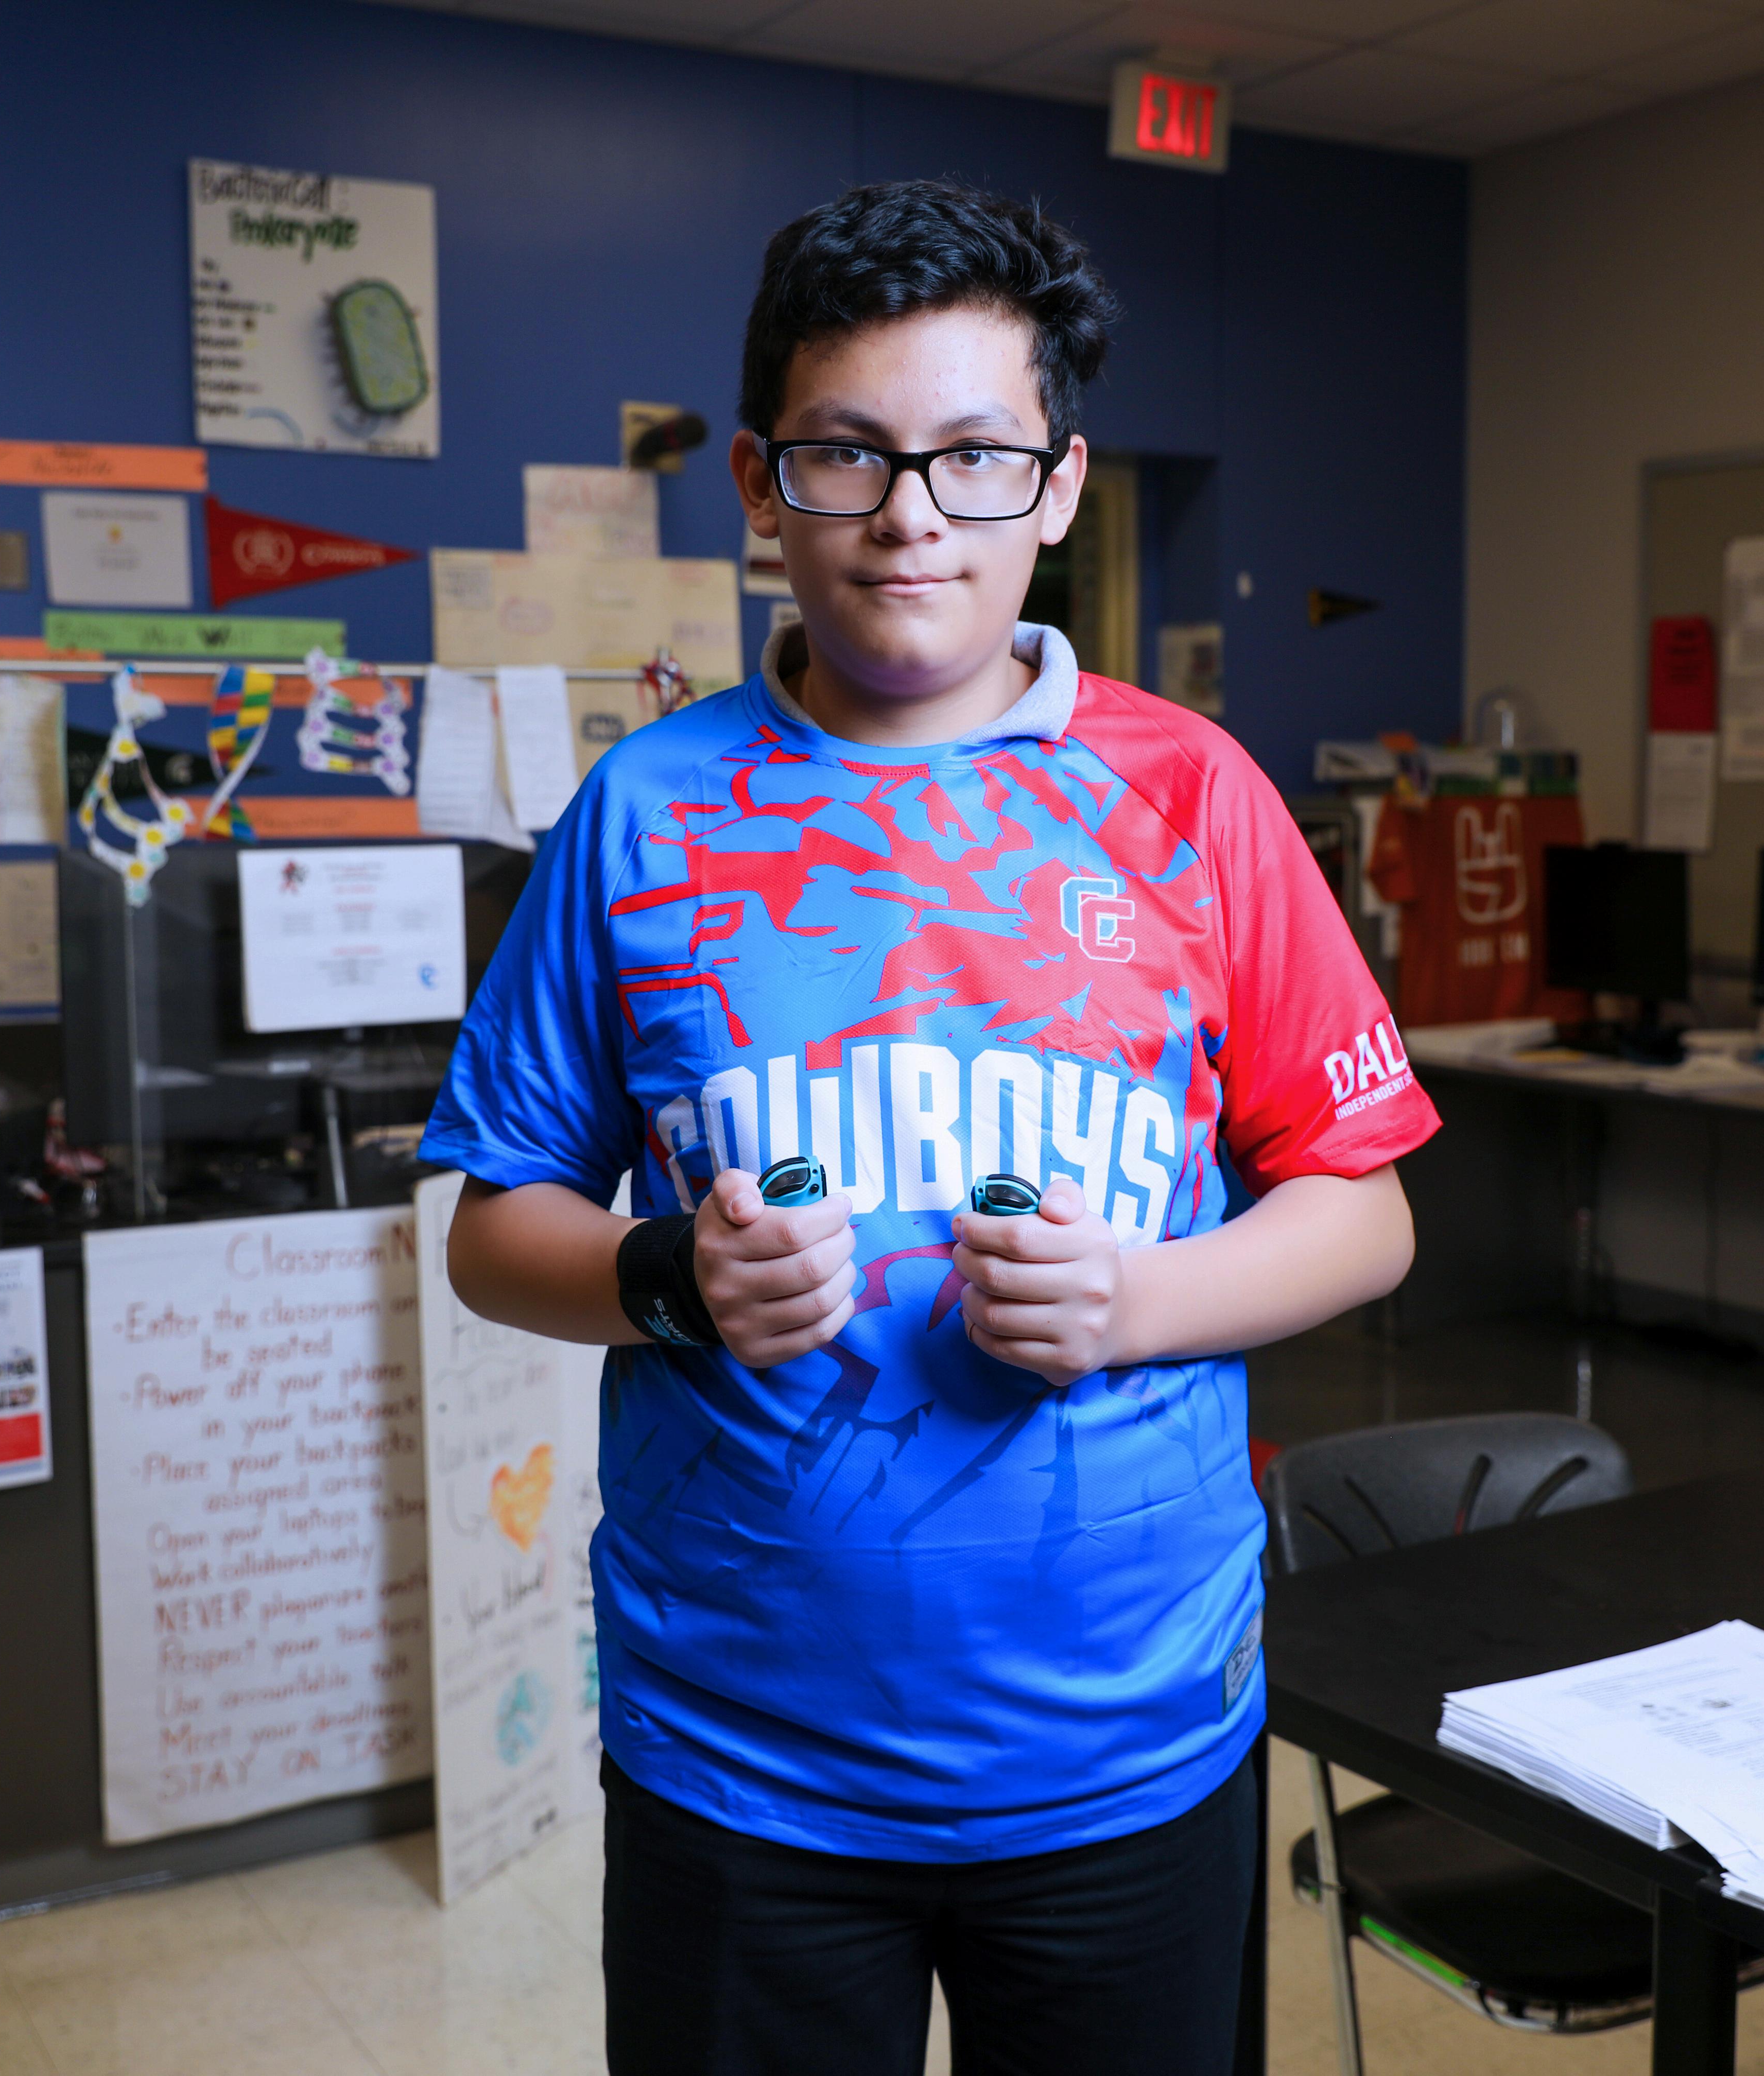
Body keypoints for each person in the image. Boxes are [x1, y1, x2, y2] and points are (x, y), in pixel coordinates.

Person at [425, 177, 1436, 2076]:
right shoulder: (644, 811)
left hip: (1132, 1737)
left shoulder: (1194, 794)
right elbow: (494, 1234)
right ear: (760, 482)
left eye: (976, 458)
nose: (912, 515)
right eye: (849, 454)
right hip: (741, 1755)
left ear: (1058, 489)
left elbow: (1364, 1211)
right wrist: (669, 1277)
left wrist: (1136, 1302)